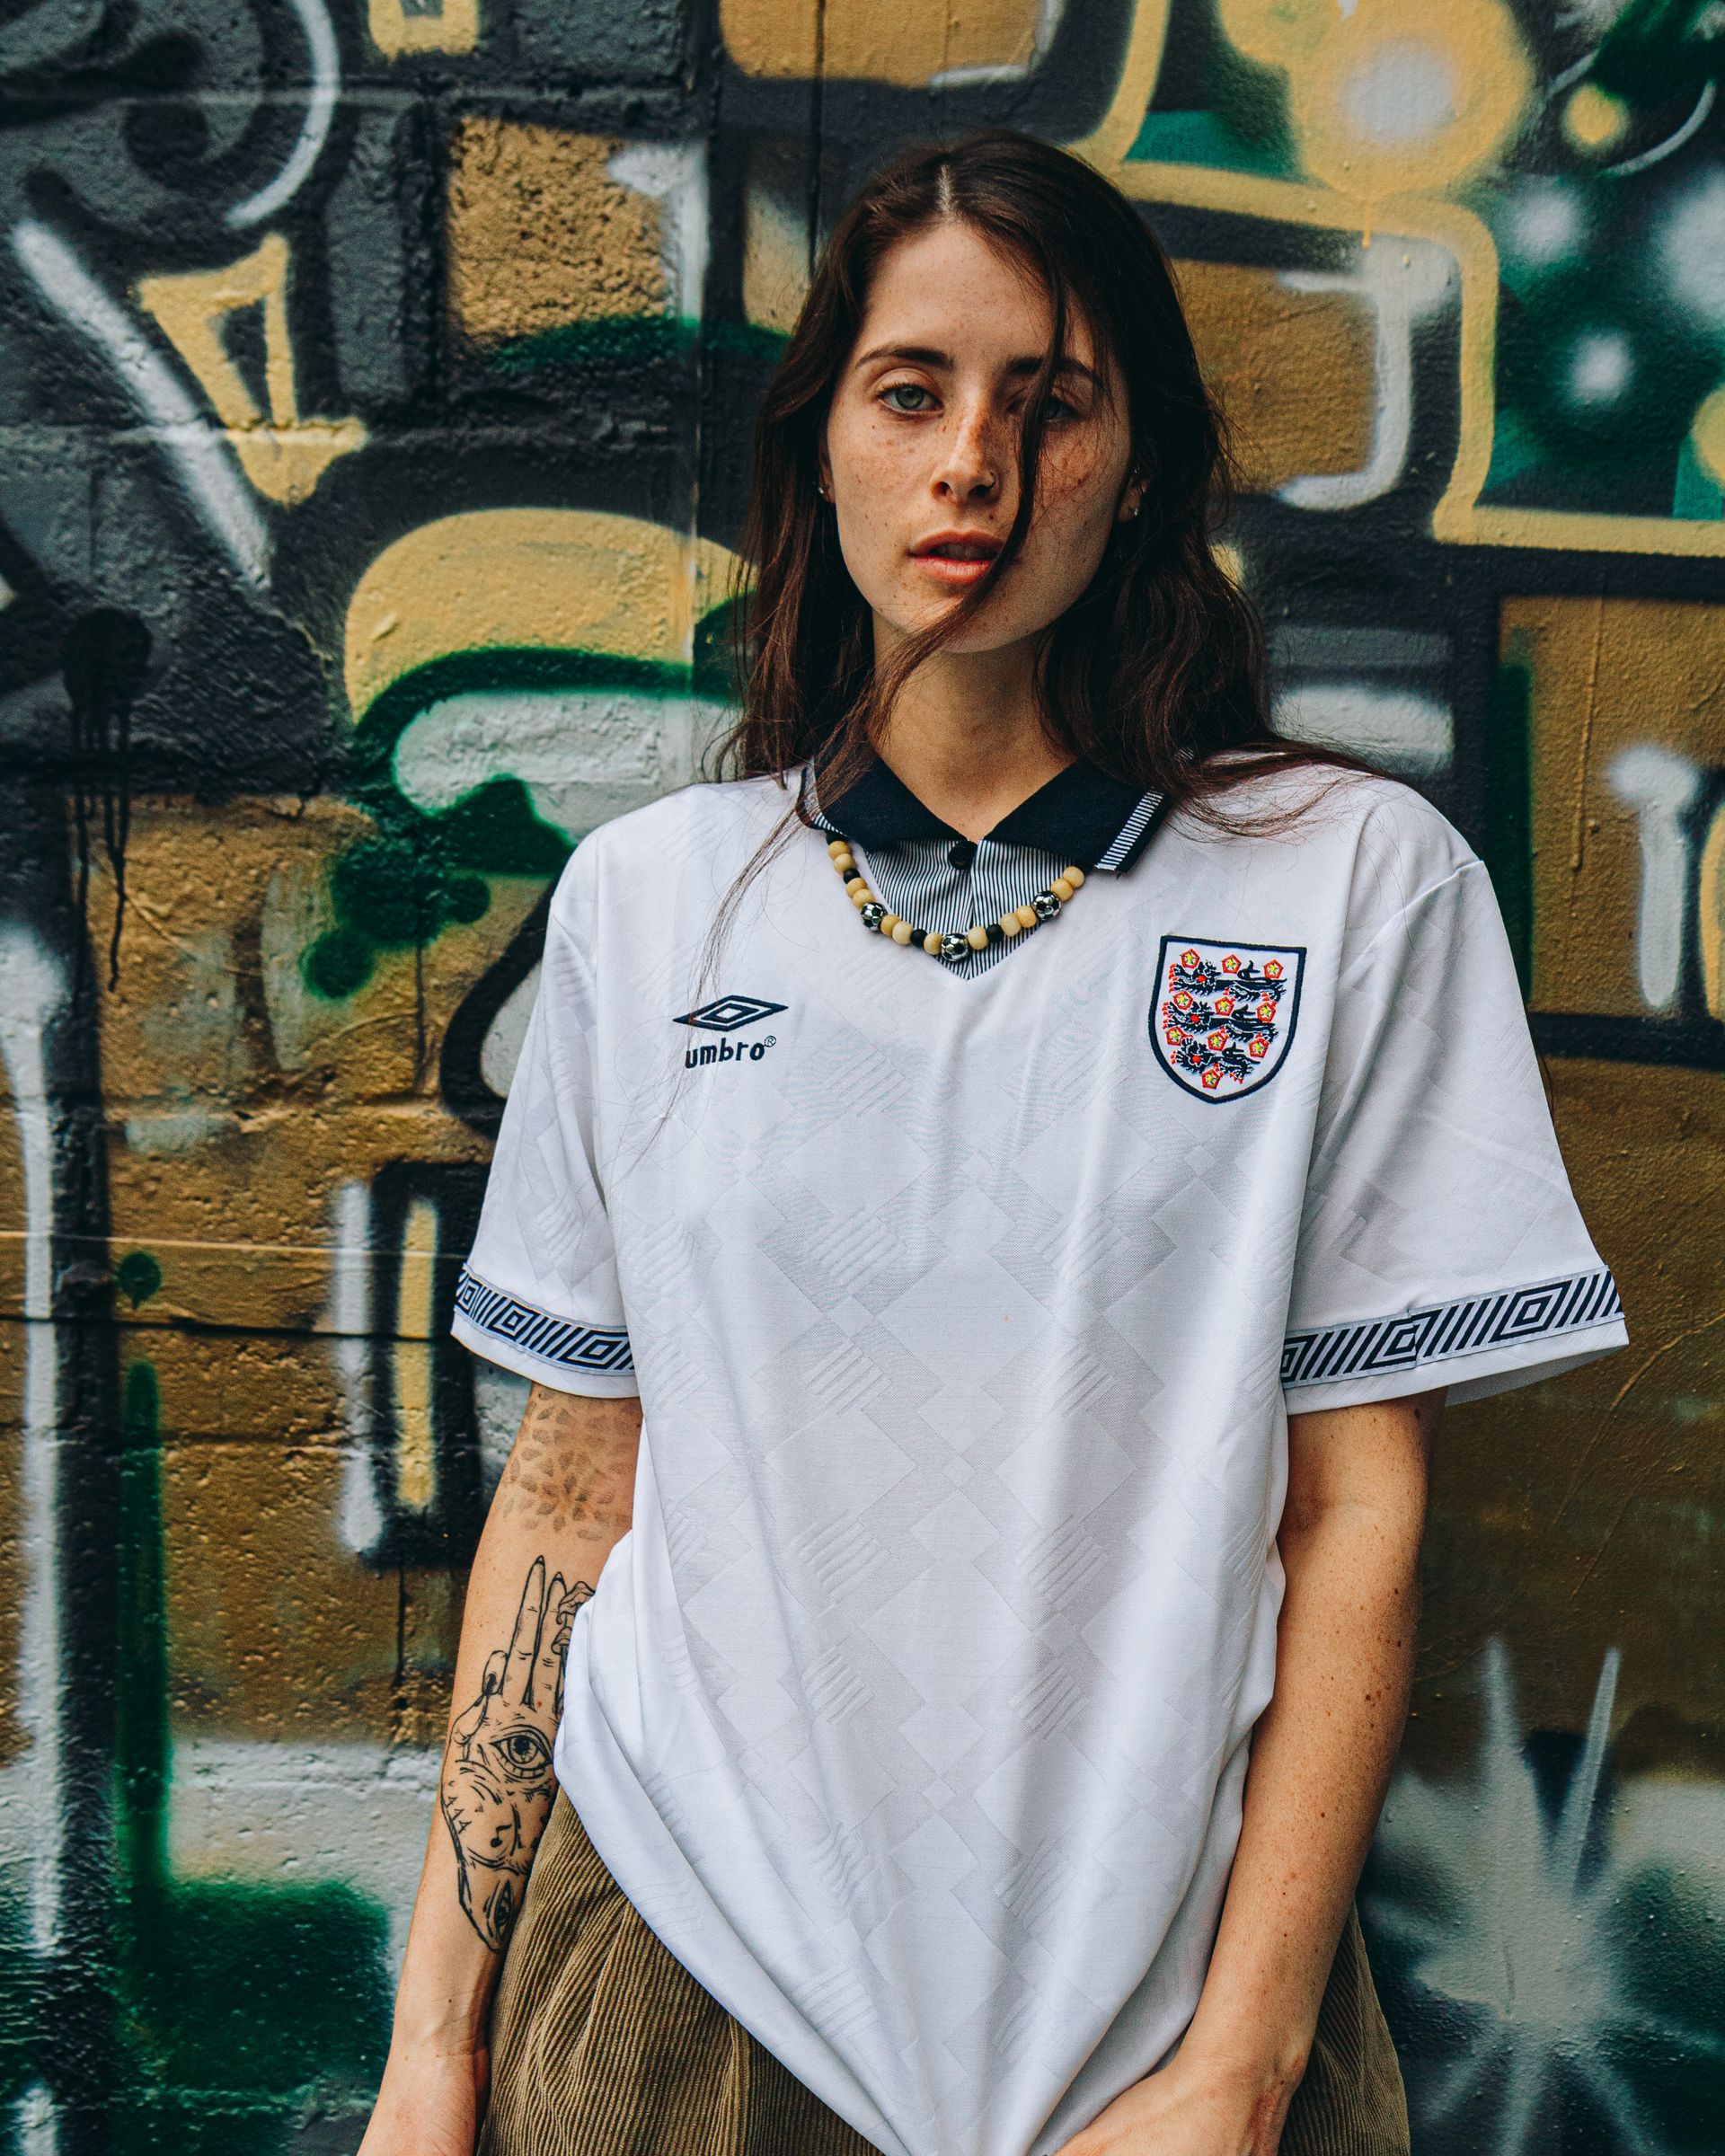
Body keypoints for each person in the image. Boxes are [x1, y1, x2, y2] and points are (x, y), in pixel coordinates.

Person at [358, 130, 1627, 2156]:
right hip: (683, 1987)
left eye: (1050, 403)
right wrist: (437, 2044)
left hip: (1166, 2005)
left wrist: (1248, 2061)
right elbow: (576, 1492)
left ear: (1135, 464)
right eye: (913, 394)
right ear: (826, 447)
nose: (974, 464)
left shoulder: (1344, 883)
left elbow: (1352, 1519)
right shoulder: (652, 901)